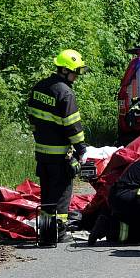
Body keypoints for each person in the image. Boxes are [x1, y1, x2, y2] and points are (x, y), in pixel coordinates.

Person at [27, 49, 89, 243]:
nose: (77, 76)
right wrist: (81, 148)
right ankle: (59, 234)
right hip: (59, 154)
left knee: (47, 194)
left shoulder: (40, 87)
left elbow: (31, 115)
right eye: (75, 72)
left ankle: (46, 234)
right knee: (62, 193)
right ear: (64, 70)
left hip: (42, 152)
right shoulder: (65, 92)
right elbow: (72, 124)